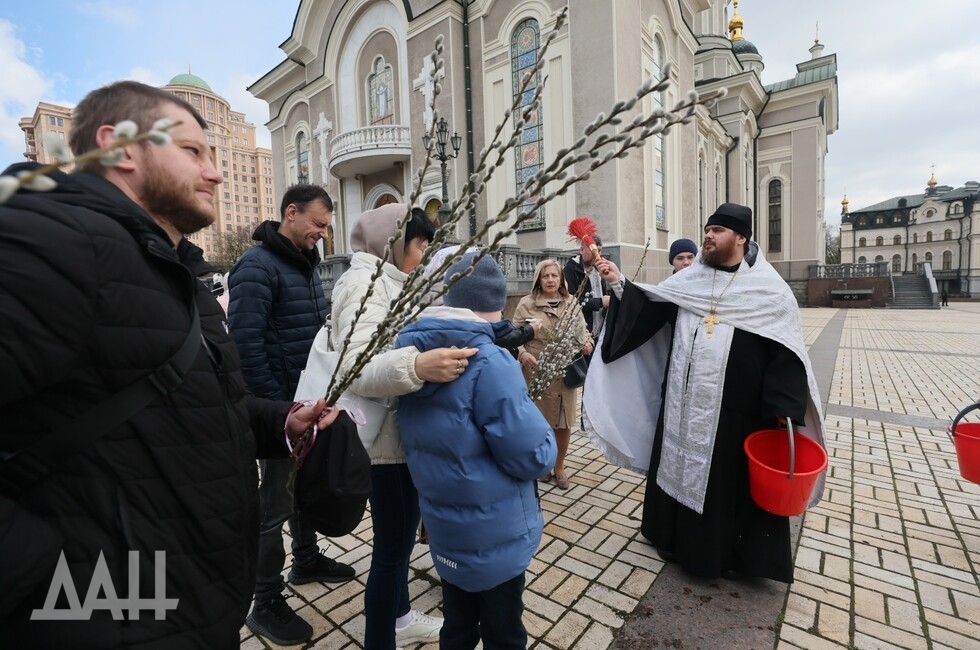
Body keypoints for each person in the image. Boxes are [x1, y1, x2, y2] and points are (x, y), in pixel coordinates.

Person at [0, 80, 334, 648]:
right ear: (120, 147)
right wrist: (70, 598)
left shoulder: (178, 272)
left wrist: (278, 421)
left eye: (214, 153)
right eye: (192, 151)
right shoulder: (51, 241)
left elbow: (195, 407)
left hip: (191, 599)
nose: (216, 172)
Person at [584, 203, 826, 583]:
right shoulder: (689, 282)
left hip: (735, 415)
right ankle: (671, 539)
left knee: (725, 485)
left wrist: (783, 409)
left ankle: (722, 557)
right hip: (681, 404)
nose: (707, 236)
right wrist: (620, 285)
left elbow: (786, 351)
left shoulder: (770, 292)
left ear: (741, 238)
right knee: (677, 468)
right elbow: (650, 310)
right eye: (707, 229)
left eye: (717, 230)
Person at [330, 203, 478, 650]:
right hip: (383, 447)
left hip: (398, 435)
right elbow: (355, 367)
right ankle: (382, 639)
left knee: (395, 545)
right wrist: (418, 365)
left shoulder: (392, 281)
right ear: (396, 242)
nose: (424, 255)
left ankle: (399, 617)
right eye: (420, 244)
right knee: (391, 553)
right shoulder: (364, 284)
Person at [395, 253, 556, 648]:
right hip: (494, 533)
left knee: (458, 624)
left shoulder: (414, 357)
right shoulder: (491, 362)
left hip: (445, 527)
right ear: (497, 302)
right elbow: (532, 455)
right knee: (504, 631)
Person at [228, 183, 354, 645]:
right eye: (318, 225)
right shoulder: (256, 267)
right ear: (291, 212)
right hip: (281, 412)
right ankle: (264, 600)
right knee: (273, 505)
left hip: (306, 404)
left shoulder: (302, 265)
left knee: (301, 489)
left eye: (327, 227)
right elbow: (245, 349)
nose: (323, 234)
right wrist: (280, 415)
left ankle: (305, 559)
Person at [514, 260, 593, 490]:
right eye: (545, 276)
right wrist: (522, 355)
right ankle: (543, 465)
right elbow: (513, 334)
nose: (550, 280)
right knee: (540, 422)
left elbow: (581, 330)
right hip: (537, 369)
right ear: (538, 279)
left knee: (563, 421)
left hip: (564, 370)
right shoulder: (527, 304)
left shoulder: (571, 302)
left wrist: (587, 341)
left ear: (561, 279)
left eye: (554, 276)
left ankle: (559, 466)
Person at [563, 233, 608, 339]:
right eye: (593, 250)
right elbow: (570, 302)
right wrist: (600, 302)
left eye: (599, 251)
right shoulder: (570, 270)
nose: (597, 254)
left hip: (599, 334)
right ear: (582, 250)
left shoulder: (598, 270)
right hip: (581, 336)